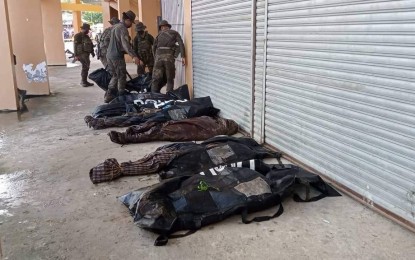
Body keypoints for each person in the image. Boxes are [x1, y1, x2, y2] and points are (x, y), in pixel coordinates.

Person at [105, 10, 140, 103]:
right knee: (121, 76)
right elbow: (125, 44)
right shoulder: (122, 28)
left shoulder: (115, 27)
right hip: (116, 56)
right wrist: (134, 56)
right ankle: (121, 97)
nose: (131, 25)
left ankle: (109, 95)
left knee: (115, 76)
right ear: (127, 20)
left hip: (109, 56)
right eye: (131, 22)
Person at [151, 20, 185, 93]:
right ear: (168, 27)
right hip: (169, 58)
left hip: (158, 58)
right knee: (170, 78)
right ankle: (169, 95)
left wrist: (155, 58)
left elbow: (153, 47)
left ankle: (153, 95)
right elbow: (181, 44)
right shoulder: (175, 33)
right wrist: (183, 56)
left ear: (162, 27)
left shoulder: (158, 35)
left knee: (156, 78)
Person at [73, 23, 95, 87]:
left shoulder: (86, 36)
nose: (88, 31)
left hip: (86, 54)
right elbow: (75, 45)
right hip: (81, 54)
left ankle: (84, 81)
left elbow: (90, 45)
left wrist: (92, 52)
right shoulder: (78, 36)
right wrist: (76, 55)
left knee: (86, 67)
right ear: (84, 29)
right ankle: (83, 81)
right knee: (85, 67)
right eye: (87, 29)